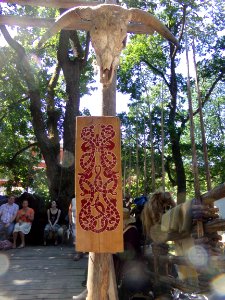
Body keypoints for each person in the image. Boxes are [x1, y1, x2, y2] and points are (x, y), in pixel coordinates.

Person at [114, 208, 151, 300]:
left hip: (132, 264)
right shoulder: (125, 230)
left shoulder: (131, 231)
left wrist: (116, 252)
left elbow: (131, 252)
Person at [68, 195, 84, 261]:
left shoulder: (85, 197)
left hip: (83, 221)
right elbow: (70, 211)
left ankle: (82, 251)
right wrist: (70, 221)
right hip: (75, 221)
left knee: (82, 237)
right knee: (75, 236)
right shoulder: (73, 200)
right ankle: (78, 253)